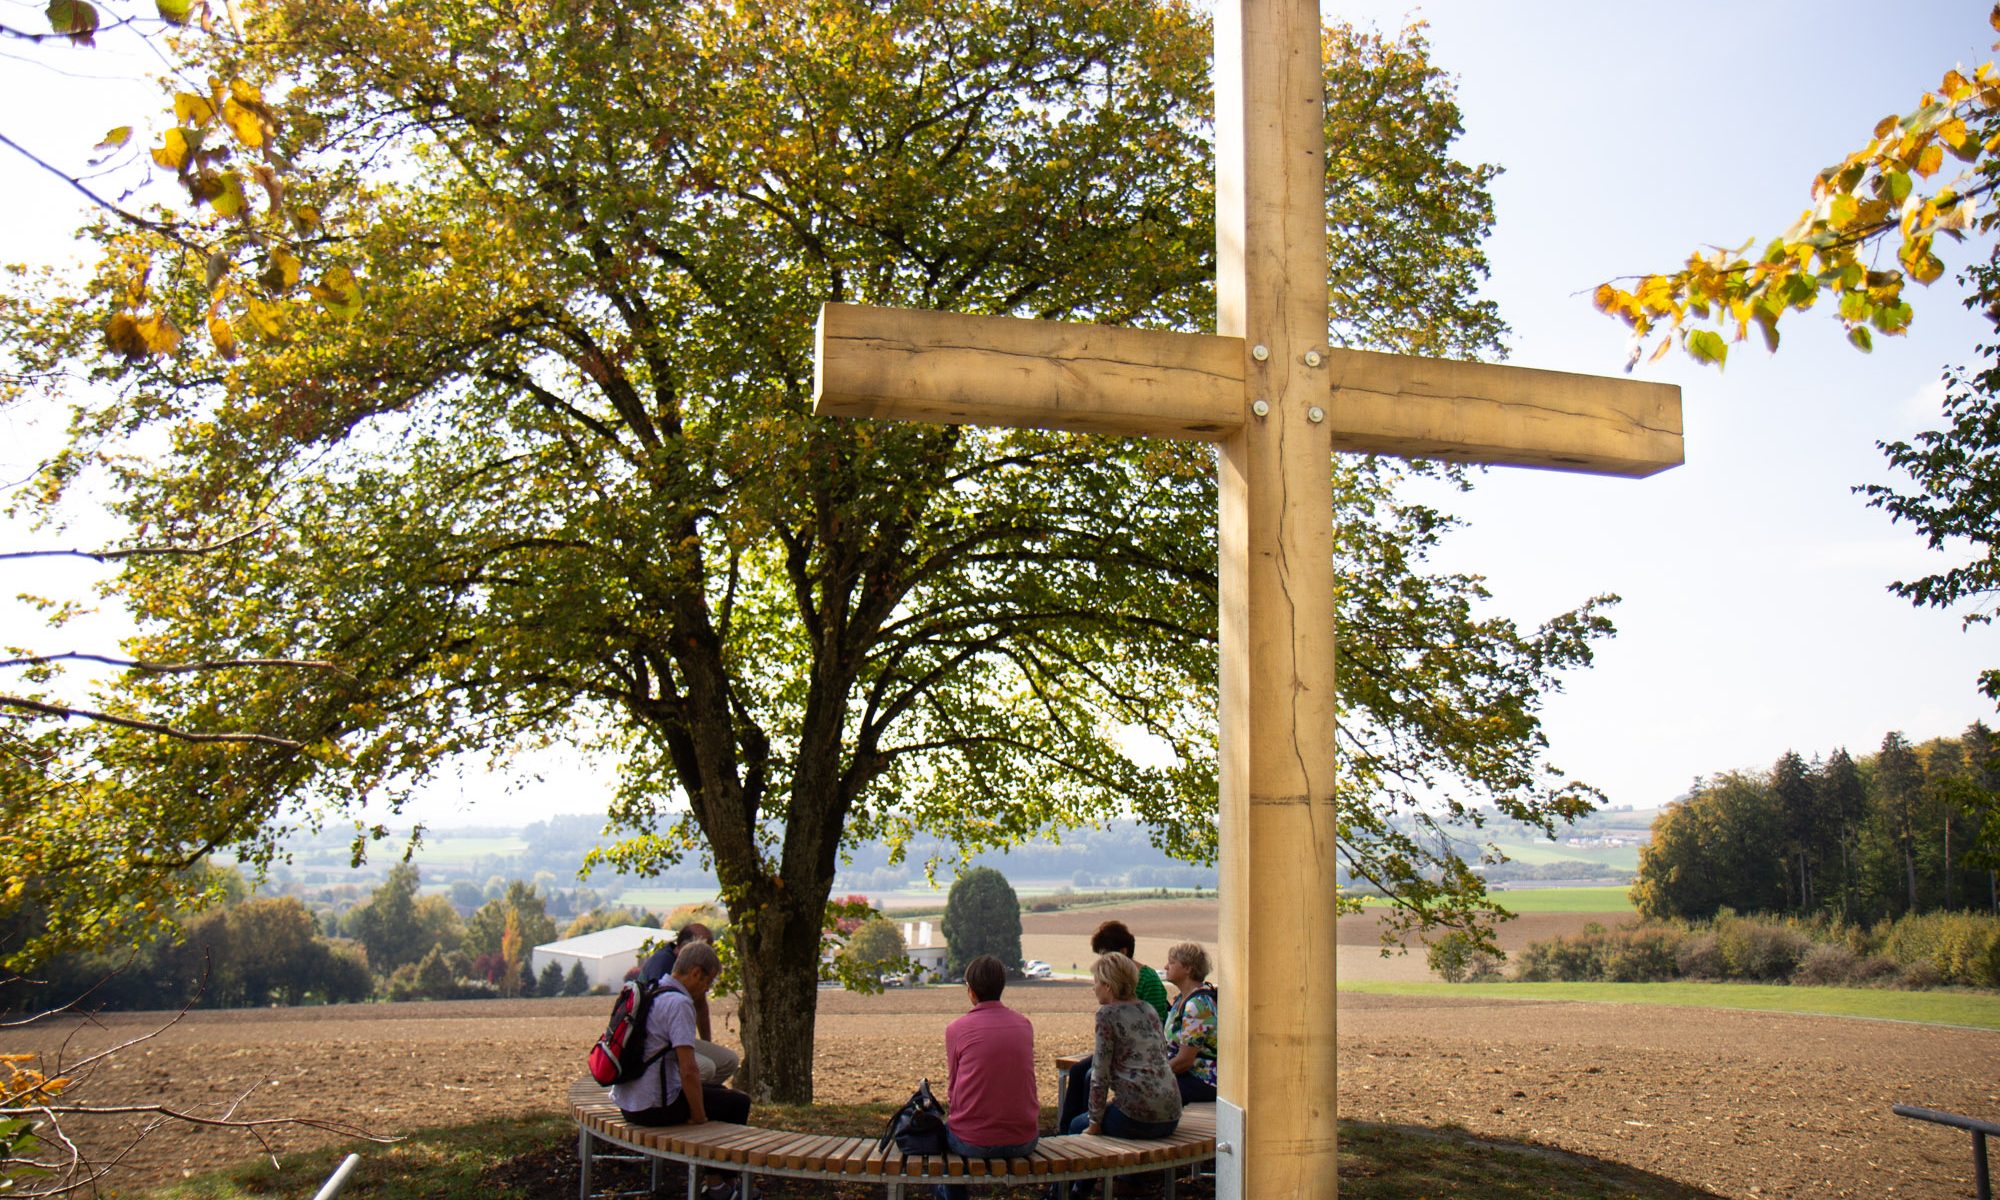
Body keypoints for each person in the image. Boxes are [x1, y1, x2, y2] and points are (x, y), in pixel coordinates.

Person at [609, 942, 753, 1199]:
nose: (706, 990)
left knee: (718, 1094)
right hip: (653, 1107)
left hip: (628, 1100)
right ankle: (720, 1188)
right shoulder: (679, 1003)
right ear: (696, 972)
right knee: (737, 1103)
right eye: (708, 982)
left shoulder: (652, 989)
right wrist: (699, 1117)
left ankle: (716, 1181)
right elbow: (688, 1069)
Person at [1048, 954, 1181, 1200]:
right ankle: (1077, 1192)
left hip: (1138, 1118)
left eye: (1096, 981)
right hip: (1171, 1114)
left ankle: (1062, 1194)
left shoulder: (1107, 1014)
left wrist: (1094, 1123)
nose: (1093, 987)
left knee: (1077, 1126)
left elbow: (1099, 1073)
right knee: (1087, 1123)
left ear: (1108, 985)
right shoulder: (1149, 1009)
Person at [936, 954, 1038, 1200]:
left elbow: (954, 1089)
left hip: (972, 1141)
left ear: (970, 991)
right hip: (1024, 1139)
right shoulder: (1024, 1025)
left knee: (940, 1148)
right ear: (1002, 987)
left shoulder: (956, 1029)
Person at [639, 922, 740, 1085]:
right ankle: (679, 1103)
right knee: (705, 1068)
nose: (710, 953)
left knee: (729, 1061)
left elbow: (701, 1005)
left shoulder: (688, 975)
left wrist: (707, 1044)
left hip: (672, 1040)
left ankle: (698, 1099)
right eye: (706, 947)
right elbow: (658, 1025)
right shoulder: (663, 967)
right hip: (653, 1045)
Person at [1161, 941, 1217, 1103]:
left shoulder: (1197, 1006)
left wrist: (1153, 1075)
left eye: (1171, 962)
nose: (1165, 966)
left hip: (1202, 1079)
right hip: (1184, 1074)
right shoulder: (1182, 999)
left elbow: (1185, 1061)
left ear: (1188, 968)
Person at [1089, 920, 1167, 1022]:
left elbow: (1156, 1021)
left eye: (1106, 954)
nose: (1103, 959)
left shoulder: (1148, 978)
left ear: (1123, 952)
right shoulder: (1109, 978)